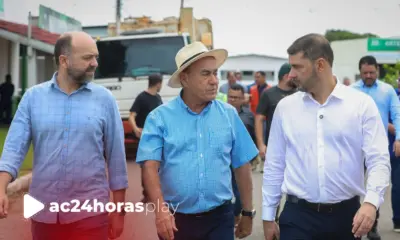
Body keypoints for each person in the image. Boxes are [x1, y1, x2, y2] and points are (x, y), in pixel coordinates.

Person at [0, 31, 129, 240]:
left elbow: (116, 159)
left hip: (91, 213)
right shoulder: (33, 98)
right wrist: (1, 188)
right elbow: (14, 148)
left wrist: (119, 211)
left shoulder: (105, 100)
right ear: (64, 60)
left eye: (95, 57)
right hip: (44, 213)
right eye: (87, 58)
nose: (95, 63)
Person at [262, 33, 391, 240]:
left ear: (320, 65)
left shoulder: (360, 105)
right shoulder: (286, 108)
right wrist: (268, 216)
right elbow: (274, 164)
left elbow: (378, 160)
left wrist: (371, 202)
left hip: (346, 218)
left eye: (298, 67)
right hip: (297, 217)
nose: (290, 75)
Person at [136, 41, 258, 240]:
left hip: (221, 218)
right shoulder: (159, 118)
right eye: (205, 74)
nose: (214, 81)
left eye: (215, 73)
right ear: (184, 78)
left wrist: (247, 211)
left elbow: (242, 165)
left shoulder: (228, 115)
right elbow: (149, 167)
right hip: (176, 221)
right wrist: (160, 211)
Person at [352, 55, 400, 239]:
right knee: (354, 185)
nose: (369, 75)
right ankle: (353, 222)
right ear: (360, 72)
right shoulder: (351, 91)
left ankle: (372, 224)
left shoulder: (387, 91)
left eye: (372, 72)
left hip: (379, 145)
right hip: (355, 145)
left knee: (377, 183)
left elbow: (397, 114)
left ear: (377, 71)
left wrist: (399, 139)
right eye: (365, 73)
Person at [255, 63, 297, 174]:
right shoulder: (269, 94)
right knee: (275, 180)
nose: (297, 77)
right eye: (294, 74)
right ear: (286, 76)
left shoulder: (300, 94)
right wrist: (261, 144)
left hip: (296, 147)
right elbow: (259, 119)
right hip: (275, 147)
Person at [227, 83, 258, 226]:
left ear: (242, 99)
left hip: (240, 162)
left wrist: (254, 154)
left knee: (240, 194)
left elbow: (254, 136)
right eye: (230, 97)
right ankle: (230, 217)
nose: (232, 100)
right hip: (225, 162)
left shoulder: (249, 116)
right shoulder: (221, 115)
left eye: (236, 97)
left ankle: (236, 213)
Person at [128, 74, 163, 140]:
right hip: (144, 133)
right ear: (158, 84)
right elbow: (131, 116)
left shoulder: (158, 97)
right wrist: (136, 129)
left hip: (155, 132)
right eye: (161, 84)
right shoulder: (141, 97)